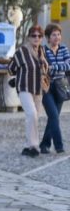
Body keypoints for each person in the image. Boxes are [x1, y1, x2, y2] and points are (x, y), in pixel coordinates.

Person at [9, 25, 49, 158]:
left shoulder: (42, 51)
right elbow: (11, 68)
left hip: (38, 89)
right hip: (24, 87)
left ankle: (27, 145)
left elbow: (45, 69)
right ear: (29, 37)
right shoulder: (22, 51)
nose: (36, 38)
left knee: (34, 118)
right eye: (34, 35)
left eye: (39, 36)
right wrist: (21, 74)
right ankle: (34, 146)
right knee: (32, 114)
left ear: (42, 38)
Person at [41, 24, 70, 154]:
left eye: (58, 34)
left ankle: (44, 144)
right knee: (53, 115)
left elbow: (68, 65)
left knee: (54, 117)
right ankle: (59, 146)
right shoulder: (43, 51)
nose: (57, 37)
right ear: (48, 37)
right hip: (47, 87)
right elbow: (43, 68)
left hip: (60, 86)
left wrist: (53, 67)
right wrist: (53, 67)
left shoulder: (64, 49)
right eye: (53, 35)